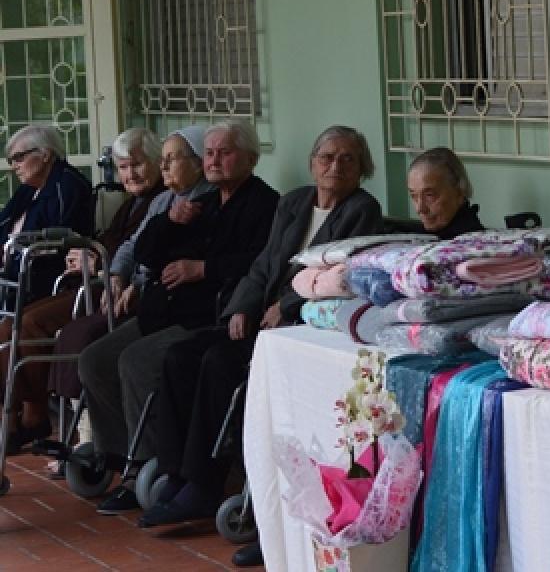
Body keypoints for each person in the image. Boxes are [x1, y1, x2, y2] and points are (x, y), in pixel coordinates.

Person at [140, 125, 385, 528]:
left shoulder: (362, 209)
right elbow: (264, 263)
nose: (335, 166)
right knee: (180, 357)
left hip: (302, 324)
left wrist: (284, 306)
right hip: (262, 316)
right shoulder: (294, 203)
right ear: (312, 163)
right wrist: (243, 306)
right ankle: (176, 472)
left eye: (348, 159)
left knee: (220, 364)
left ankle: (204, 485)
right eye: (327, 157)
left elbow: (336, 272)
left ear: (362, 168)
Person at [81, 119, 278, 515]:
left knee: (137, 362)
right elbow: (147, 254)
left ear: (251, 159)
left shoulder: (264, 203)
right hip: (163, 310)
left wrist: (202, 268)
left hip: (206, 314)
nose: (215, 161)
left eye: (225, 152)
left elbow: (260, 262)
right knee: (94, 360)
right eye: (209, 153)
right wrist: (169, 221)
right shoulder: (201, 203)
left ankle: (148, 469)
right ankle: (119, 455)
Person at [1, 128, 164, 454]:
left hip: (91, 286)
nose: (129, 174)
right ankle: (17, 416)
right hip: (89, 280)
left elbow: (144, 253)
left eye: (137, 165)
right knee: (8, 326)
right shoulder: (133, 202)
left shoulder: (159, 201)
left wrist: (99, 261)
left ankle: (33, 413)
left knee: (25, 324)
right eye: (122, 167)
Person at [48, 127, 212, 410]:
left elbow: (168, 260)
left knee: (102, 346)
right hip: (137, 293)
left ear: (197, 162)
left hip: (172, 305)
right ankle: (97, 438)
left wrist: (133, 282)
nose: (163, 167)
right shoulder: (162, 201)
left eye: (168, 160)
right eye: (123, 167)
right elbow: (133, 247)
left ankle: (118, 440)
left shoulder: (206, 201)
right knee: (89, 353)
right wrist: (116, 274)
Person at [0, 124, 94, 312]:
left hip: (38, 275)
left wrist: (11, 254)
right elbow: (3, 221)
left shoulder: (68, 185)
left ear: (45, 155)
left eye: (19, 158)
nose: (14, 166)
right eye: (11, 160)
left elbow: (57, 239)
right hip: (12, 269)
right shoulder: (28, 188)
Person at [406, 147, 484, 239]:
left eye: (429, 195)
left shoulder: (471, 244)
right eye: (414, 196)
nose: (420, 209)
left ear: (459, 193)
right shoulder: (423, 237)